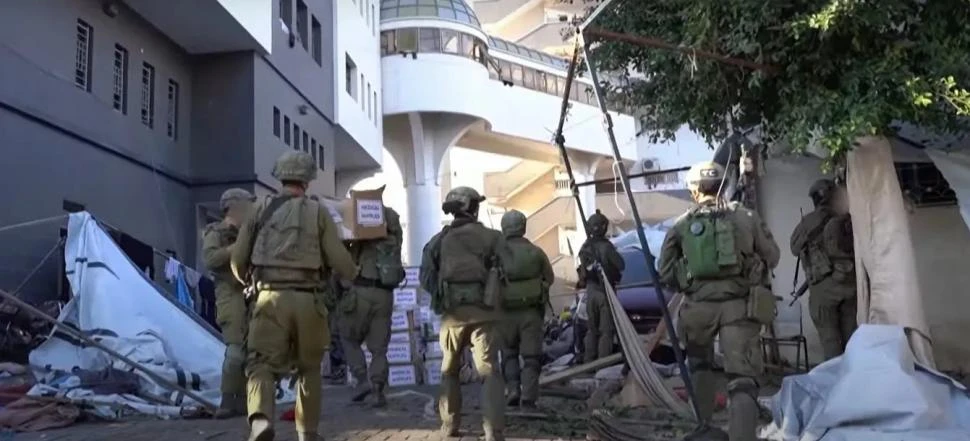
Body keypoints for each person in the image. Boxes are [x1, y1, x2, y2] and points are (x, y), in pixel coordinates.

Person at [231, 151, 357, 441]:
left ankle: (261, 419)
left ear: (280, 177)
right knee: (309, 368)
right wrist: (353, 272)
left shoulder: (259, 209)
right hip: (308, 301)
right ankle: (307, 432)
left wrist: (248, 281)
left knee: (261, 364)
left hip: (269, 299)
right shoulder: (318, 212)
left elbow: (237, 260)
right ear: (308, 181)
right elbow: (340, 262)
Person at [658, 161, 780, 441]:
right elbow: (773, 256)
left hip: (697, 308)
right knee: (743, 380)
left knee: (700, 368)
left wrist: (691, 282)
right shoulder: (746, 216)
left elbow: (665, 271)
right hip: (739, 307)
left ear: (694, 189)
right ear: (721, 185)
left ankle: (703, 430)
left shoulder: (682, 224)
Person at [420, 186, 505, 441]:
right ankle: (493, 431)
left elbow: (425, 276)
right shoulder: (493, 237)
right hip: (486, 314)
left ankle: (450, 426)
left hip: (452, 315)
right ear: (473, 208)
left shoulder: (438, 240)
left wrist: (442, 297)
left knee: (449, 370)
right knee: (488, 371)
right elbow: (507, 272)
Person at [340, 206, 406, 407]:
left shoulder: (359, 240)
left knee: (349, 337)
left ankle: (361, 381)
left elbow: (342, 254)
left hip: (360, 292)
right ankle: (378, 390)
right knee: (379, 348)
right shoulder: (394, 241)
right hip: (385, 295)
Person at [201, 188, 256, 418]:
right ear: (233, 206)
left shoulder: (251, 232)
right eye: (247, 204)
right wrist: (238, 246)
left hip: (253, 294)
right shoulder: (216, 232)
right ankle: (226, 400)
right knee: (235, 352)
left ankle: (243, 401)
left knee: (253, 351)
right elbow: (211, 260)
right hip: (230, 295)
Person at [790, 178, 856, 361]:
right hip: (850, 283)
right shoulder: (849, 217)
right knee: (853, 337)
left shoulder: (808, 221)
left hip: (823, 287)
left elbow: (794, 249)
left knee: (830, 340)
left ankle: (836, 383)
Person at [497, 209, 554, 409]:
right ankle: (529, 396)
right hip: (531, 312)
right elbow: (550, 277)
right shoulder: (536, 252)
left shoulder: (497, 254)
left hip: (504, 313)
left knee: (509, 353)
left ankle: (513, 390)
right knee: (531, 357)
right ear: (523, 227)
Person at [577, 209, 624, 364]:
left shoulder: (585, 248)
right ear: (603, 227)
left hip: (590, 292)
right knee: (606, 331)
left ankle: (588, 361)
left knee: (592, 329)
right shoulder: (606, 247)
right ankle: (603, 364)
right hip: (605, 291)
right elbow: (621, 264)